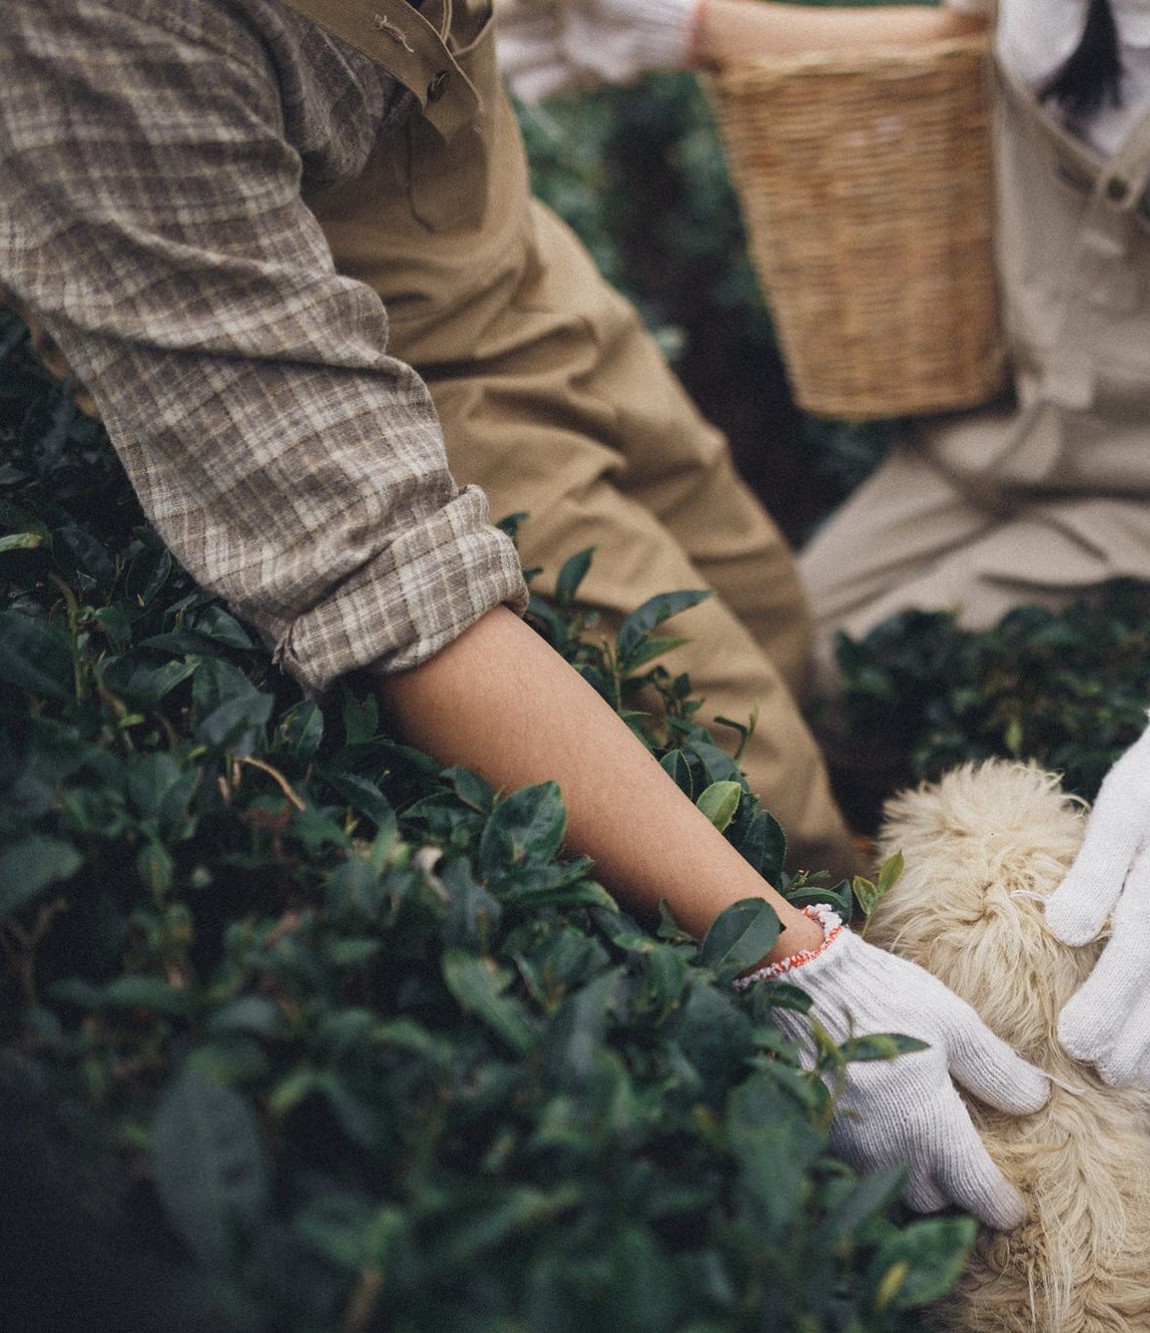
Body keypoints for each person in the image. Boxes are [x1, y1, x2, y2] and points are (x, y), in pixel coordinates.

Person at [0, 0, 1048, 1230]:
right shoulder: (79, 34)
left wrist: (733, 31)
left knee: (771, 621)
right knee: (752, 782)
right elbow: (379, 564)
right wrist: (792, 959)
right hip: (376, 386)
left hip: (531, 280)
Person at [499, 0, 1150, 1088]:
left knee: (848, 674)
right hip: (1009, 422)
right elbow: (960, 32)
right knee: (776, 644)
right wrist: (696, 30)